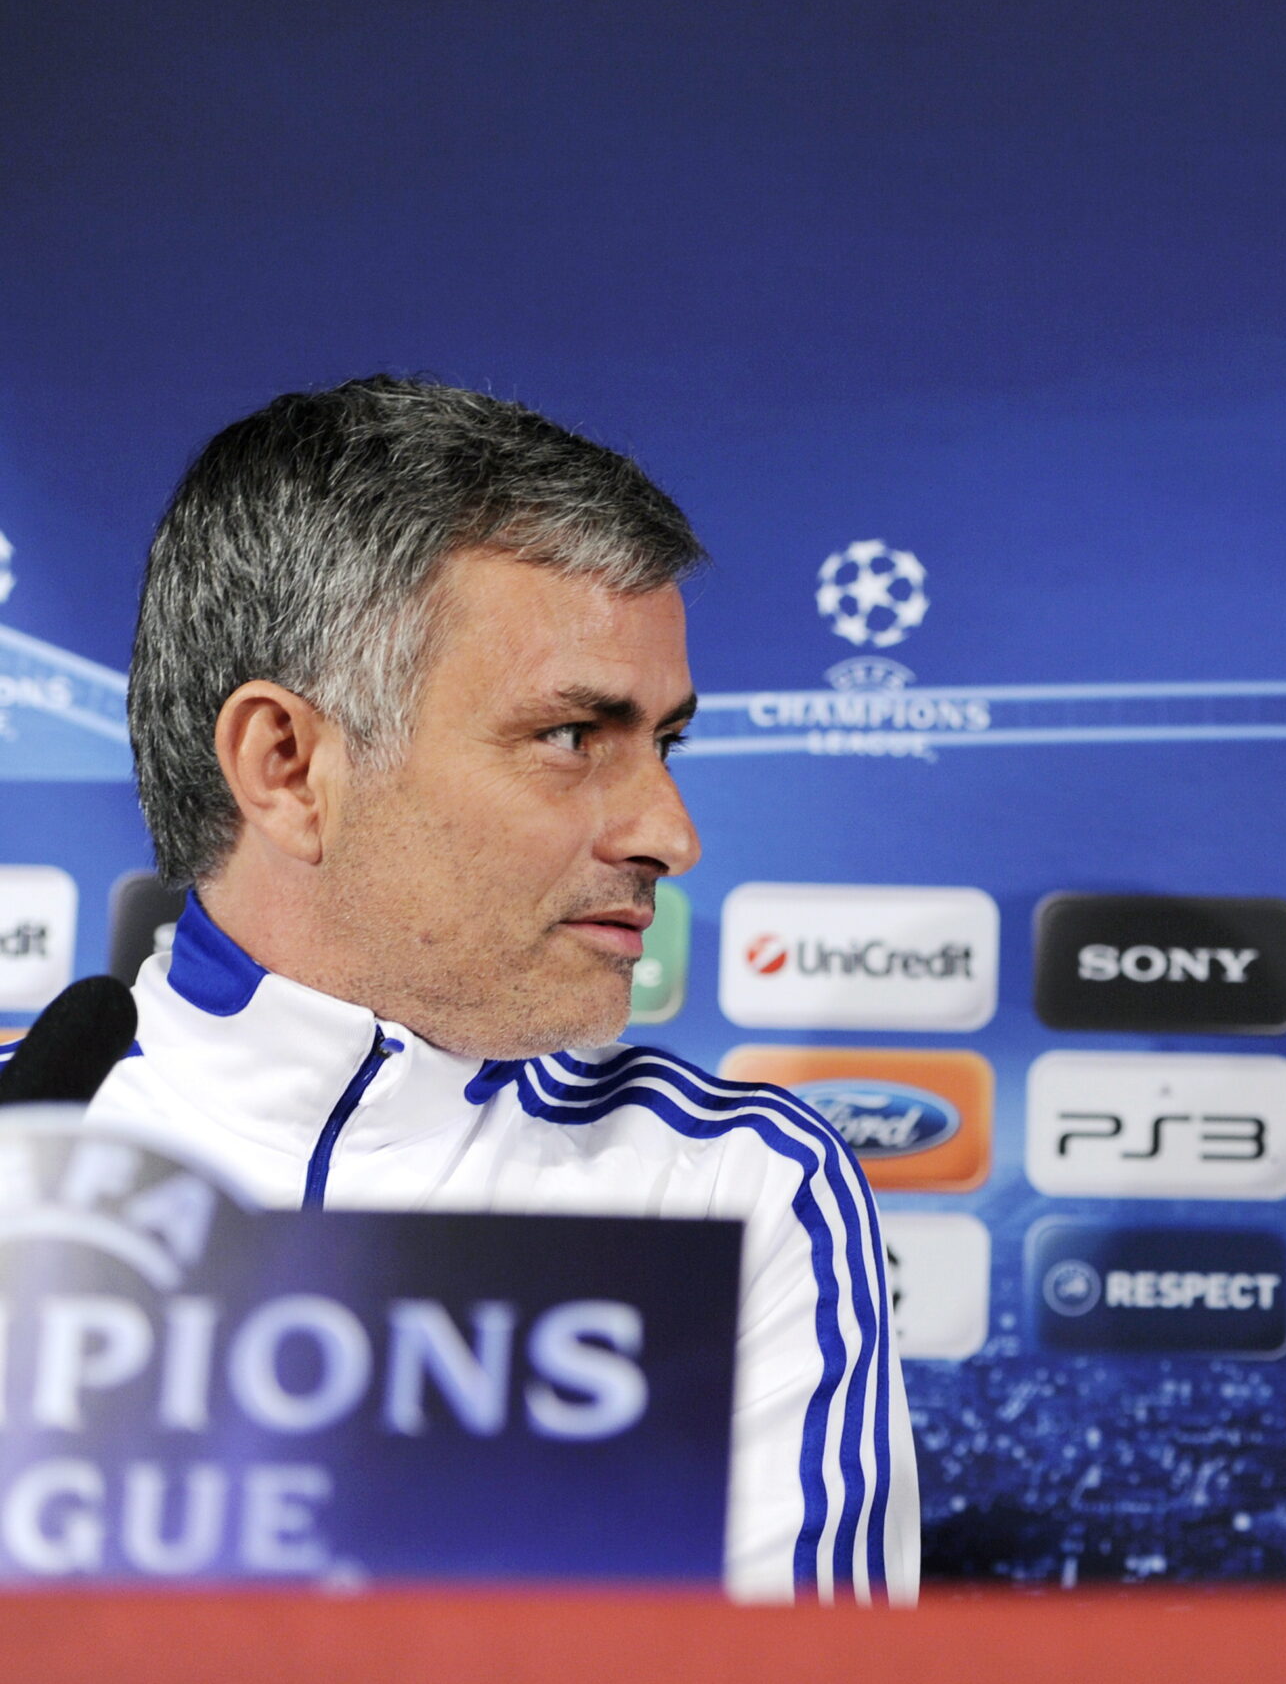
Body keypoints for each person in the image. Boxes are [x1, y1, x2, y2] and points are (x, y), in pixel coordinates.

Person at [69, 377, 916, 1604]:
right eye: (575, 735)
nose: (670, 833)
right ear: (289, 766)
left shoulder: (736, 1187)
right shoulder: (27, 1148)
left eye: (663, 742)